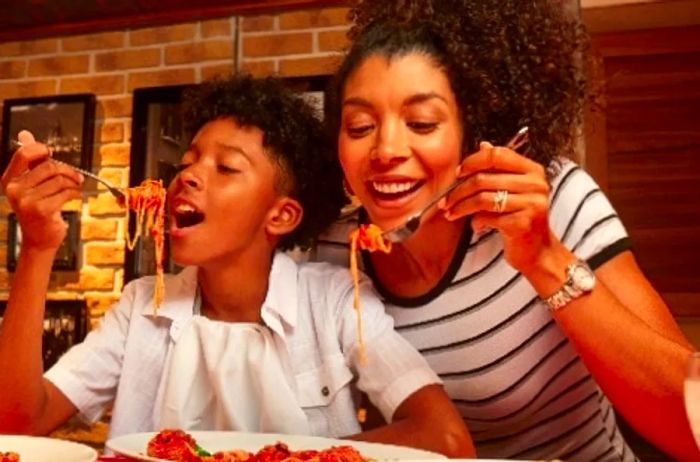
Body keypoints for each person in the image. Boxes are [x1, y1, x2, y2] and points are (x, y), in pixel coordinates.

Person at [0, 74, 474, 457]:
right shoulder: (140, 305)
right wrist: (38, 248)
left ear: (281, 215)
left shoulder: (334, 302)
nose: (186, 176)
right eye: (188, 162)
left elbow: (446, 440)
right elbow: (18, 421)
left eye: (226, 168)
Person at [316, 0, 699, 460]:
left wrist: (544, 258)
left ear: (471, 130)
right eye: (360, 127)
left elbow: (690, 427)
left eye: (421, 123)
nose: (385, 149)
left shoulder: (555, 201)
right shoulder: (330, 255)